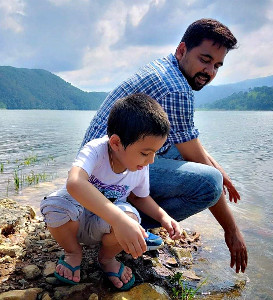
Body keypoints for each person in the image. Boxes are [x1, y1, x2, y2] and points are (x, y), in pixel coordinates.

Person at [81, 18, 248, 273]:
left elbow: (191, 143)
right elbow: (201, 163)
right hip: (103, 173)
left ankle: (127, 217)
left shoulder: (168, 67)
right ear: (182, 50)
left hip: (103, 160)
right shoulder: (176, 89)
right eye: (205, 59)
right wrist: (232, 230)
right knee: (209, 184)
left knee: (200, 167)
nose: (210, 72)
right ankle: (127, 227)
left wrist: (224, 174)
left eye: (217, 65)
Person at [40, 94, 182, 289]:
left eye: (155, 153)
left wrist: (163, 217)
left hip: (103, 227)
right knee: (55, 204)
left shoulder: (140, 167)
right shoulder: (95, 151)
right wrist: (118, 219)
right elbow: (74, 183)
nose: (151, 160)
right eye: (145, 153)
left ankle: (106, 258)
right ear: (116, 143)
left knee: (132, 217)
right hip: (75, 221)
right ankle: (73, 253)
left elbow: (140, 198)